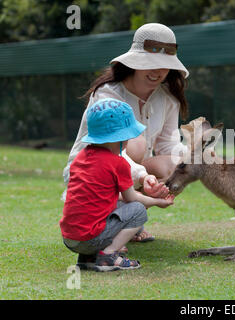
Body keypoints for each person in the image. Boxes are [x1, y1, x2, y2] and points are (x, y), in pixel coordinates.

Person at [62, 23, 189, 243]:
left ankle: (127, 219)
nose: (157, 72)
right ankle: (110, 221)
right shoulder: (108, 93)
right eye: (151, 63)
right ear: (135, 62)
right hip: (92, 172)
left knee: (176, 164)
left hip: (128, 172)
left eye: (164, 65)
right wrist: (142, 175)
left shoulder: (168, 98)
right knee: (136, 143)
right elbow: (113, 150)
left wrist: (194, 160)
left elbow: (168, 145)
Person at [60, 98, 175, 272]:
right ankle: (108, 256)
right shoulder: (118, 163)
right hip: (89, 238)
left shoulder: (81, 158)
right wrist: (159, 202)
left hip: (70, 238)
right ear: (120, 138)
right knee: (138, 210)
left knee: (118, 204)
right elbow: (132, 198)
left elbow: (107, 195)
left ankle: (88, 257)